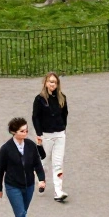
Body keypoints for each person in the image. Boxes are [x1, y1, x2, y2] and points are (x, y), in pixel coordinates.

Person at [0, 117, 46, 217]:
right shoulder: (6, 149)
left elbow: (37, 164)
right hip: (13, 186)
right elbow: (0, 170)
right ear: (13, 132)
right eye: (22, 131)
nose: (25, 133)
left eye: (26, 130)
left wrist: (41, 179)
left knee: (22, 213)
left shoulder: (30, 145)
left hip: (28, 185)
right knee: (21, 215)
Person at [32, 73, 69, 202]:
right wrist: (39, 134)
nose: (52, 84)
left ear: (57, 84)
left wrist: (62, 128)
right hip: (46, 135)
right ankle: (41, 180)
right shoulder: (40, 99)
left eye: (54, 82)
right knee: (43, 162)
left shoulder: (62, 98)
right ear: (45, 83)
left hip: (59, 135)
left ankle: (58, 191)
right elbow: (35, 117)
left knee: (58, 163)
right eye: (50, 81)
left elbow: (65, 115)